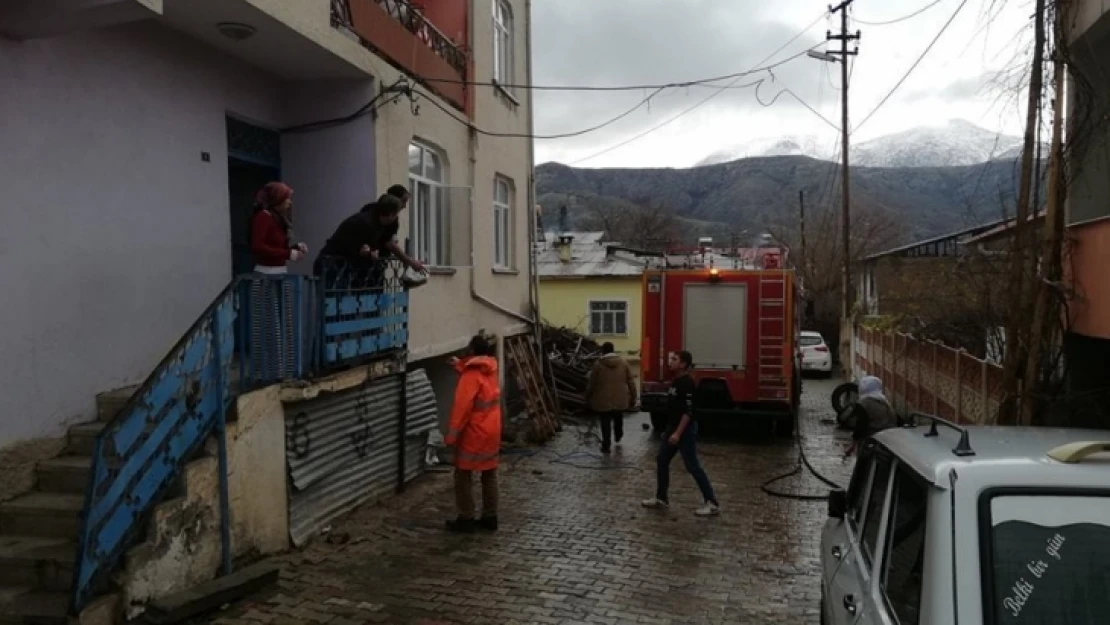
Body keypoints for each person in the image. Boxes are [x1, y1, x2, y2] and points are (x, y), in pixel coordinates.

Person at [642, 351, 721, 517]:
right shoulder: (675, 382)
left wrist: (677, 433)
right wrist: (668, 429)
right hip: (673, 428)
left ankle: (711, 502)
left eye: (674, 359)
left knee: (692, 466)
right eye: (671, 358)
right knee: (662, 460)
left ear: (683, 364)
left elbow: (688, 412)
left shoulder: (687, 384)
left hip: (684, 430)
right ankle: (661, 497)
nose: (670, 362)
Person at [444, 332, 503, 533]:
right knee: (489, 474)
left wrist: (451, 435)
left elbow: (461, 408)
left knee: (462, 475)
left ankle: (466, 517)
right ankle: (490, 516)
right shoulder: (491, 369)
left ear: (471, 351)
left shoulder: (470, 377)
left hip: (473, 433)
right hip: (492, 430)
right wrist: (460, 364)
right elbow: (475, 372)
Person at [314, 192, 426, 281]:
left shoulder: (375, 220)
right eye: (396, 214)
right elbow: (352, 246)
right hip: (331, 266)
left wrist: (369, 252)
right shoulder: (366, 223)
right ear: (391, 215)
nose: (396, 218)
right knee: (332, 305)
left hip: (342, 267)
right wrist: (367, 252)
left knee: (341, 305)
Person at [586, 342, 637, 454]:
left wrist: (588, 396)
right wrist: (634, 396)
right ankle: (618, 434)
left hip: (603, 399)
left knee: (605, 421)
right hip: (620, 398)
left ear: (603, 351)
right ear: (613, 350)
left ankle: (606, 445)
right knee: (618, 416)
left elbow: (592, 383)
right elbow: (631, 381)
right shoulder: (624, 363)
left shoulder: (598, 365)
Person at [250, 181, 307, 274]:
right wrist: (289, 254)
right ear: (278, 200)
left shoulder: (279, 219)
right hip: (265, 273)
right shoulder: (263, 217)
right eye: (287, 198)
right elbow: (258, 246)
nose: (290, 202)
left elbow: (277, 249)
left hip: (281, 272)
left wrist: (295, 248)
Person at [844, 376, 898, 458]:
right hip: (888, 441)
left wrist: (852, 446)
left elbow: (860, 426)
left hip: (871, 442)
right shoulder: (885, 402)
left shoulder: (864, 404)